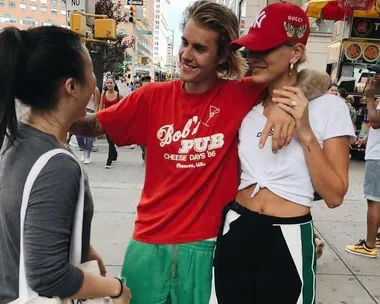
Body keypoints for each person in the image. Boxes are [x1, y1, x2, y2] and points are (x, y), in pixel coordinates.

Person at [69, 1, 296, 303]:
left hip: (208, 246)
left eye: (200, 48)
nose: (186, 55)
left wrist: (286, 103)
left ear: (222, 56)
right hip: (148, 245)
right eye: (185, 43)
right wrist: (43, 112)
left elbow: (309, 79)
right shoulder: (151, 97)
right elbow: (95, 126)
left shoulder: (241, 93)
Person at [210, 3, 355, 303]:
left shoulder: (329, 108)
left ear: (296, 53)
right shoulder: (245, 99)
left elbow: (335, 195)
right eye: (251, 49)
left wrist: (303, 129)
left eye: (266, 49)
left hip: (287, 237)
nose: (254, 57)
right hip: (236, 228)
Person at [0, 26, 131, 304]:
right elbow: (48, 275)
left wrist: (81, 245)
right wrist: (114, 288)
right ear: (71, 87)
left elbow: (24, 223)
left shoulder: (16, 137)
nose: (95, 81)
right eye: (90, 71)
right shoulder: (57, 166)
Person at [346, 75, 380, 257]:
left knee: (374, 200)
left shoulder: (375, 97)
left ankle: (369, 245)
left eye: (376, 75)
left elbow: (375, 121)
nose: (373, 79)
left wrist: (369, 97)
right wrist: (367, 139)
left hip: (378, 159)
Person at [101, 76, 122, 168]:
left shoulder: (119, 95)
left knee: (111, 139)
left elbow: (122, 108)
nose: (109, 84)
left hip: (115, 121)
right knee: (110, 140)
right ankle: (114, 154)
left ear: (114, 84)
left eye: (111, 83)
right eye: (107, 83)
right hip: (106, 119)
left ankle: (109, 160)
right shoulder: (103, 94)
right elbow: (101, 107)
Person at [76, 87, 100, 164]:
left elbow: (96, 103)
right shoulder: (79, 87)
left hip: (91, 111)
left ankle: (88, 155)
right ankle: (83, 150)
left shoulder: (95, 89)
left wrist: (95, 115)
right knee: (78, 133)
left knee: (89, 134)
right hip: (80, 111)